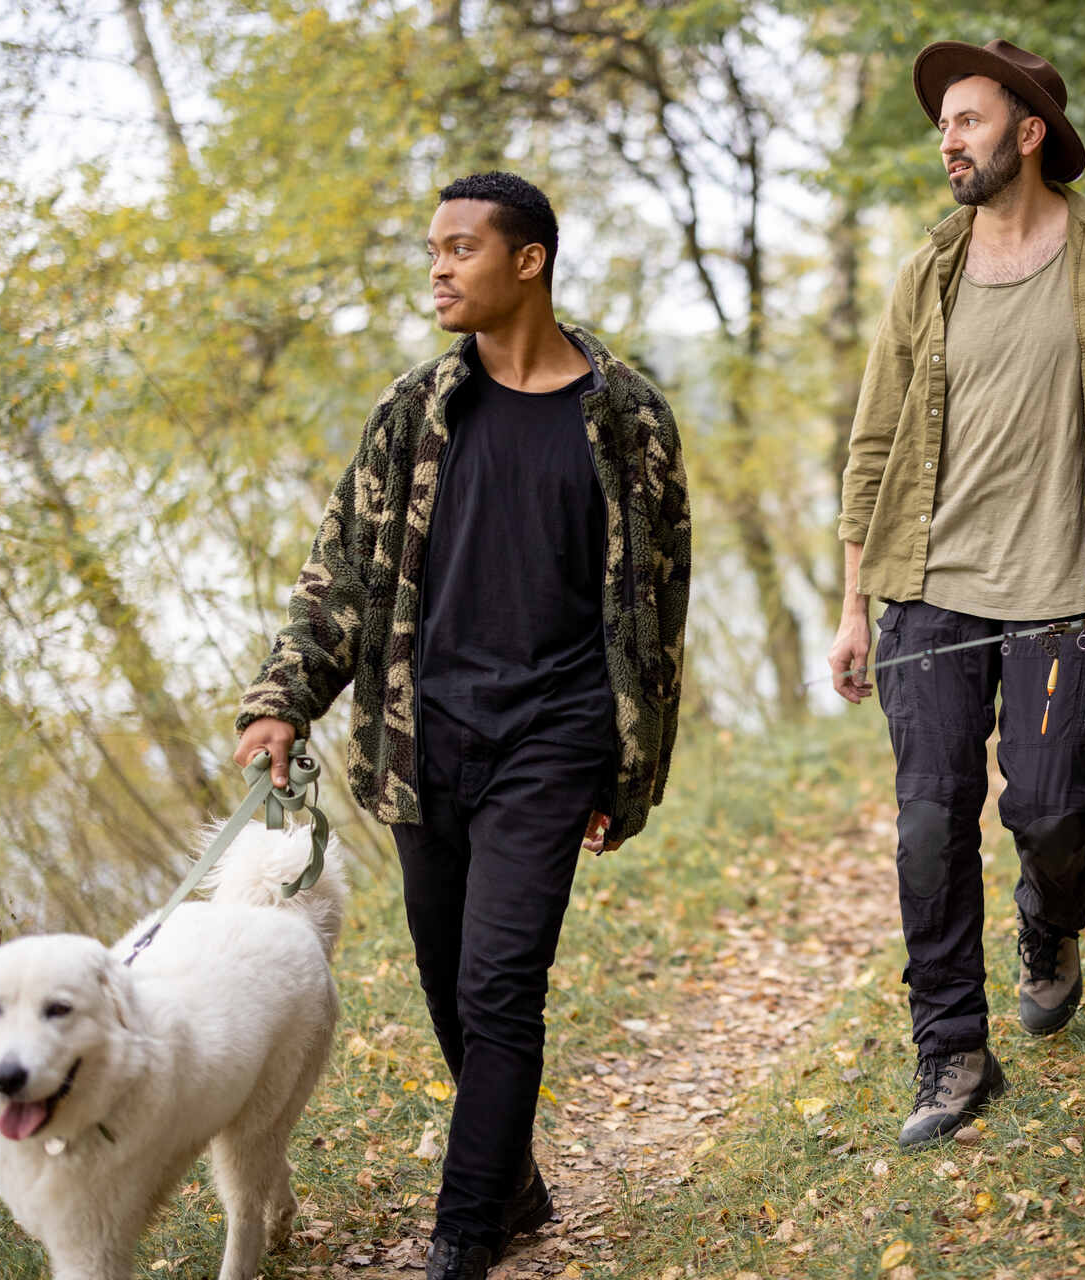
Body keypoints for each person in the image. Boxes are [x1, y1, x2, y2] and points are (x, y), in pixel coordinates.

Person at [233, 172, 691, 1279]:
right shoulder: (417, 412)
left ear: (527, 259)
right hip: (425, 736)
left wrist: (626, 769)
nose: (437, 267)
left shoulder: (625, 417)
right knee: (450, 982)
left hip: (557, 732)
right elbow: (343, 572)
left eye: (459, 247)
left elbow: (655, 608)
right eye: (431, 249)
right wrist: (280, 697)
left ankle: (465, 1226)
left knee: (499, 984)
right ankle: (517, 1181)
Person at [827, 38, 1085, 1150]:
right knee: (931, 824)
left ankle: (1051, 924)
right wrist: (854, 602)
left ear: (1029, 132)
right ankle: (951, 1050)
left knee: (1046, 806)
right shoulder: (926, 272)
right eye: (943, 124)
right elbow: (874, 441)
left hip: (1066, 585)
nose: (948, 139)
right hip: (930, 588)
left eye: (968, 120)